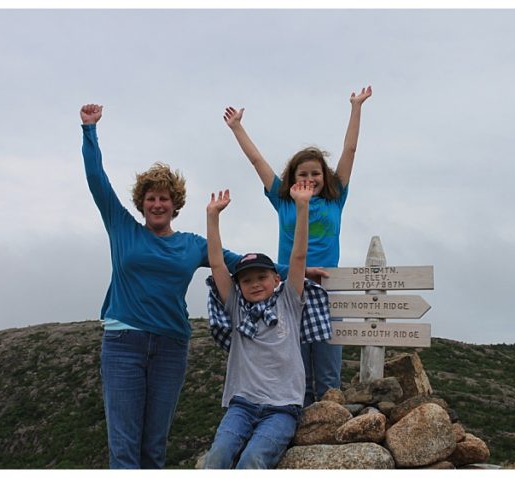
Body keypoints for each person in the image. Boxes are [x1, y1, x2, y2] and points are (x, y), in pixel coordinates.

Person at [81, 103, 250, 469]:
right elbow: (98, 181)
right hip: (124, 344)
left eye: (164, 198)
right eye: (151, 198)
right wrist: (89, 131)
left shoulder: (191, 245)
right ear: (142, 204)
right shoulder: (122, 228)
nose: (157, 203)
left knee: (154, 449)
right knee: (124, 448)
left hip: (172, 345)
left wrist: (299, 269)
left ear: (176, 205)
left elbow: (244, 264)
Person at [222, 86, 372, 406]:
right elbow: (256, 159)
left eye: (315, 173)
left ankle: (327, 435)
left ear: (324, 176)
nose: (309, 178)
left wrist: (356, 107)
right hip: (291, 291)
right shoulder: (283, 201)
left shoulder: (335, 199)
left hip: (328, 290)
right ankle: (296, 436)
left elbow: (350, 150)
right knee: (297, 371)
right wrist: (237, 127)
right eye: (302, 173)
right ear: (292, 178)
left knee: (329, 376)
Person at [201, 184, 312, 469]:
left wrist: (302, 207)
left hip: (282, 409)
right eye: (246, 280)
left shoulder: (288, 301)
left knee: (253, 459)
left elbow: (298, 257)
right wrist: (212, 217)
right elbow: (216, 264)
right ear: (238, 286)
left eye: (261, 276)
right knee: (217, 457)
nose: (254, 284)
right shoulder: (237, 308)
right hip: (242, 405)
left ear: (276, 279)